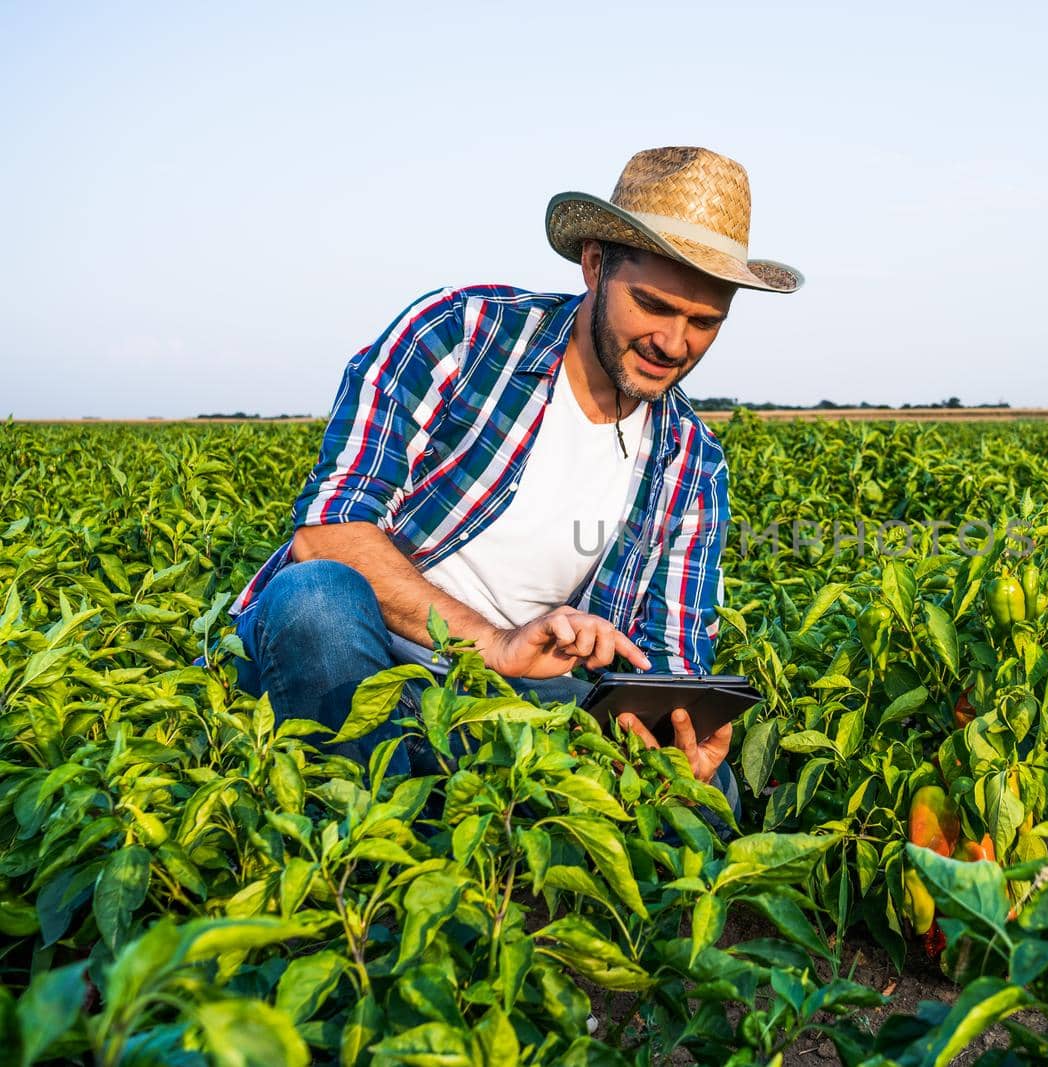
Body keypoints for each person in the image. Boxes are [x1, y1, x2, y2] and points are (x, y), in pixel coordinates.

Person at [225, 146, 802, 816]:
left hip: (516, 711)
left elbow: (670, 663)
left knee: (708, 796)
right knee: (314, 601)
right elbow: (327, 535)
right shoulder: (463, 336)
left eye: (704, 322)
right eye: (652, 304)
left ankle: (467, 830)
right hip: (370, 660)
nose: (674, 343)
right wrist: (496, 644)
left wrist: (680, 733)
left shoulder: (691, 462)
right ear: (594, 264)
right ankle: (362, 864)